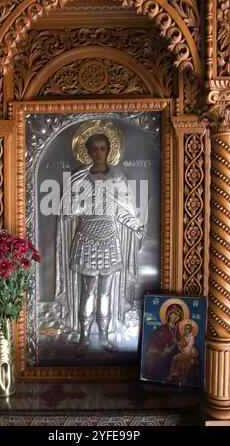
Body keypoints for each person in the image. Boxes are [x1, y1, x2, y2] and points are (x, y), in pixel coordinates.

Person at [55, 123, 147, 358]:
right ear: (87, 151)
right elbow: (67, 210)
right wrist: (86, 201)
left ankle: (104, 336)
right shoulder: (80, 177)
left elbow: (123, 209)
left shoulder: (117, 177)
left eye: (102, 148)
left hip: (110, 239)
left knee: (104, 292)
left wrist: (136, 227)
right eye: (94, 148)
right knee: (89, 290)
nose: (98, 152)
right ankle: (84, 337)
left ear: (108, 150)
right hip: (86, 238)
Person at [144, 302, 186, 382]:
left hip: (177, 357)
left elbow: (185, 345)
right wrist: (162, 352)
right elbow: (153, 344)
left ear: (180, 317)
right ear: (168, 315)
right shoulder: (159, 332)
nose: (175, 316)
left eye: (177, 315)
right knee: (160, 359)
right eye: (173, 314)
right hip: (163, 357)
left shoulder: (181, 332)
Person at [168, 319, 199, 385]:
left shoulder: (191, 338)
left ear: (190, 329)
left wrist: (178, 344)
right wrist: (178, 344)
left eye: (188, 328)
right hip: (183, 353)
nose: (186, 330)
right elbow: (180, 347)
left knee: (180, 361)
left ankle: (182, 378)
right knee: (174, 357)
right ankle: (172, 374)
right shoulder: (183, 337)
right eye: (185, 328)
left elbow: (189, 348)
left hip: (189, 354)